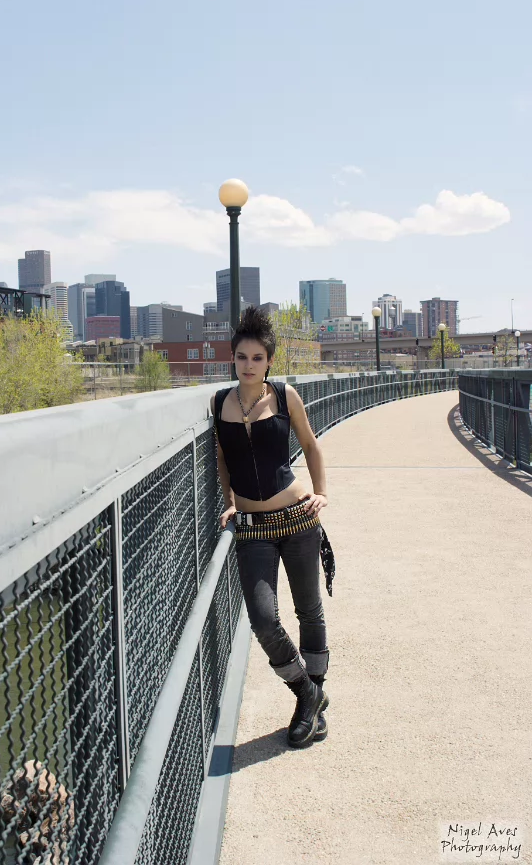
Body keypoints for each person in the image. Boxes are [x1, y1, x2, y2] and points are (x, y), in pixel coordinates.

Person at [210, 306, 331, 748]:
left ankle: (310, 706)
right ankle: (308, 695)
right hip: (252, 528)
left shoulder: (284, 395)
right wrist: (228, 502)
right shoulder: (219, 402)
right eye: (241, 357)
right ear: (232, 358)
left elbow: (311, 446)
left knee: (309, 611)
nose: (248, 365)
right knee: (263, 620)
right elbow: (222, 459)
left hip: (297, 518)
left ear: (269, 361)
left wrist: (321, 492)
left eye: (257, 358)